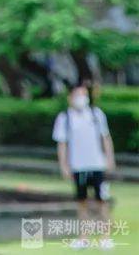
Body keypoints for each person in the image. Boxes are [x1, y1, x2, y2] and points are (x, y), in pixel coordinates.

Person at [53, 82, 115, 219]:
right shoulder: (65, 118)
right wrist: (64, 165)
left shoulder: (96, 114)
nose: (81, 98)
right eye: (78, 94)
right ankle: (84, 237)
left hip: (97, 164)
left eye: (84, 94)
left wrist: (110, 159)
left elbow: (105, 138)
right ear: (70, 97)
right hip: (78, 166)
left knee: (102, 199)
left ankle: (105, 237)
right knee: (82, 201)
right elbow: (62, 144)